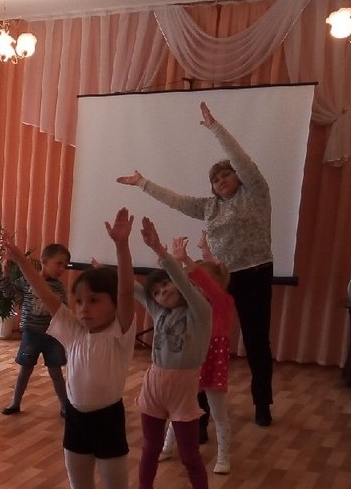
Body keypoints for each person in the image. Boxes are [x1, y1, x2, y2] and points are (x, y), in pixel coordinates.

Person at [2, 209, 151, 489]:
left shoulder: (119, 331)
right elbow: (46, 293)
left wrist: (122, 246)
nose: (84, 308)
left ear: (112, 305)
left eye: (94, 301)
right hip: (77, 422)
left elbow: (125, 292)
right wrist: (21, 261)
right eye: (79, 301)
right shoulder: (71, 329)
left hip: (107, 421)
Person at [117, 101, 275, 427]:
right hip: (217, 279)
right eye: (215, 179)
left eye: (226, 175)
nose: (220, 180)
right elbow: (176, 200)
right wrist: (143, 183)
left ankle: (262, 404)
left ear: (239, 177)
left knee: (256, 342)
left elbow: (241, 159)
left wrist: (215, 128)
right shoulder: (208, 207)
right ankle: (197, 410)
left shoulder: (256, 193)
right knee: (203, 341)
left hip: (255, 274)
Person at [130, 222, 222, 489]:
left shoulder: (200, 312)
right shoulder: (159, 312)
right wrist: (115, 260)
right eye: (156, 292)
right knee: (150, 448)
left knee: (190, 455)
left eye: (166, 285)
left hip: (183, 390)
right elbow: (135, 290)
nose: (162, 293)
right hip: (154, 385)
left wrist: (160, 251)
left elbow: (183, 283)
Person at [161, 232, 235, 475]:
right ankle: (167, 447)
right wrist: (175, 259)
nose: (195, 288)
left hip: (213, 364)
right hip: (193, 361)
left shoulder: (223, 303)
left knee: (218, 414)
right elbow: (184, 282)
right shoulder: (195, 306)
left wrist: (187, 260)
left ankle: (223, 457)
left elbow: (209, 281)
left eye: (199, 284)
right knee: (179, 407)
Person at [1, 243, 72, 418]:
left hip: (52, 336)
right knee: (25, 370)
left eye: (65, 265)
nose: (62, 269)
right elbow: (8, 293)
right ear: (44, 261)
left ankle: (65, 406)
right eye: (59, 263)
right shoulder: (26, 281)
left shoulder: (58, 287)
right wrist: (5, 273)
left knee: (55, 372)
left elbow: (63, 310)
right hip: (31, 334)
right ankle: (15, 403)